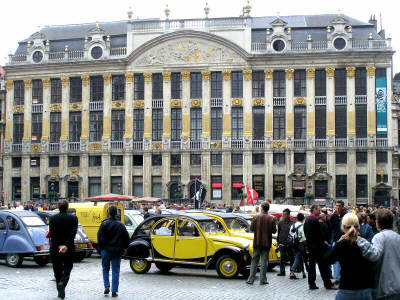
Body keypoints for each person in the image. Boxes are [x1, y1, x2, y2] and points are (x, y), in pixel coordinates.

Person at [324, 213, 374, 300]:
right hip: (365, 288)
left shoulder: (342, 244)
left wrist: (337, 243)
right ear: (358, 226)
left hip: (347, 287)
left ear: (343, 227)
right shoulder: (364, 243)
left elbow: (327, 260)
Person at [356, 209, 400, 300]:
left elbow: (374, 255)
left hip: (385, 286)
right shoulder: (397, 237)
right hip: (397, 284)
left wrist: (359, 240)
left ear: (378, 223)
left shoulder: (380, 237)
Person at [98, 205, 130, 297]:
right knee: (116, 270)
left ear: (108, 213)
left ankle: (107, 285)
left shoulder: (104, 224)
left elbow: (100, 237)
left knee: (105, 268)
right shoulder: (121, 225)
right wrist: (125, 248)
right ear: (116, 213)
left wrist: (101, 248)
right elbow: (126, 238)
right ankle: (114, 290)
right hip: (117, 251)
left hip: (106, 250)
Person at [49, 200, 78, 299]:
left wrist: (58, 246)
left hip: (55, 247)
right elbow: (73, 233)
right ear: (67, 207)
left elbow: (52, 233)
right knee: (68, 267)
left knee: (57, 268)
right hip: (68, 247)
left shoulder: (53, 218)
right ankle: (63, 283)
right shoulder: (73, 218)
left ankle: (59, 286)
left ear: (58, 207)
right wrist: (65, 245)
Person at [304, 204, 334, 290]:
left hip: (311, 246)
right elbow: (319, 234)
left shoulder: (307, 220)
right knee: (322, 265)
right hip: (318, 246)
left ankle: (312, 283)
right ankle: (327, 283)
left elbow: (307, 233)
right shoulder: (314, 220)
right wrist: (323, 242)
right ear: (314, 210)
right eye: (318, 210)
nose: (320, 211)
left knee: (312, 265)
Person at [246, 202, 276, 285]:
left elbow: (251, 228)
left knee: (254, 261)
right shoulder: (271, 218)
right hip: (266, 243)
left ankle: (250, 279)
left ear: (262, 208)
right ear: (268, 209)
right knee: (264, 261)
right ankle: (263, 280)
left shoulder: (256, 217)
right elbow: (274, 231)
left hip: (257, 242)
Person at [330, 200, 346, 285]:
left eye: (339, 206)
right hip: (336, 240)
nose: (337, 207)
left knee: (344, 260)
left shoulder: (346, 216)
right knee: (335, 260)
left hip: (345, 240)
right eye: (336, 206)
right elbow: (331, 228)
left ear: (342, 207)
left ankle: (344, 277)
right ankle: (336, 278)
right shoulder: (333, 216)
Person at [277, 208, 294, 277]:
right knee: (282, 258)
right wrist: (278, 242)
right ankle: (282, 271)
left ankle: (291, 271)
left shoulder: (292, 223)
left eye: (284, 214)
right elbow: (279, 232)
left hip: (290, 244)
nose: (283, 215)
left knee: (291, 258)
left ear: (288, 215)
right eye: (282, 214)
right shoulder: (280, 223)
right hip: (282, 243)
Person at [289, 213, 307, 280]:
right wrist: (306, 245)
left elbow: (290, 234)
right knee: (298, 257)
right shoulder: (302, 226)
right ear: (303, 219)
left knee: (299, 257)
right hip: (300, 244)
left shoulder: (292, 225)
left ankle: (303, 272)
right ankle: (292, 272)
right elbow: (304, 238)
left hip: (293, 244)